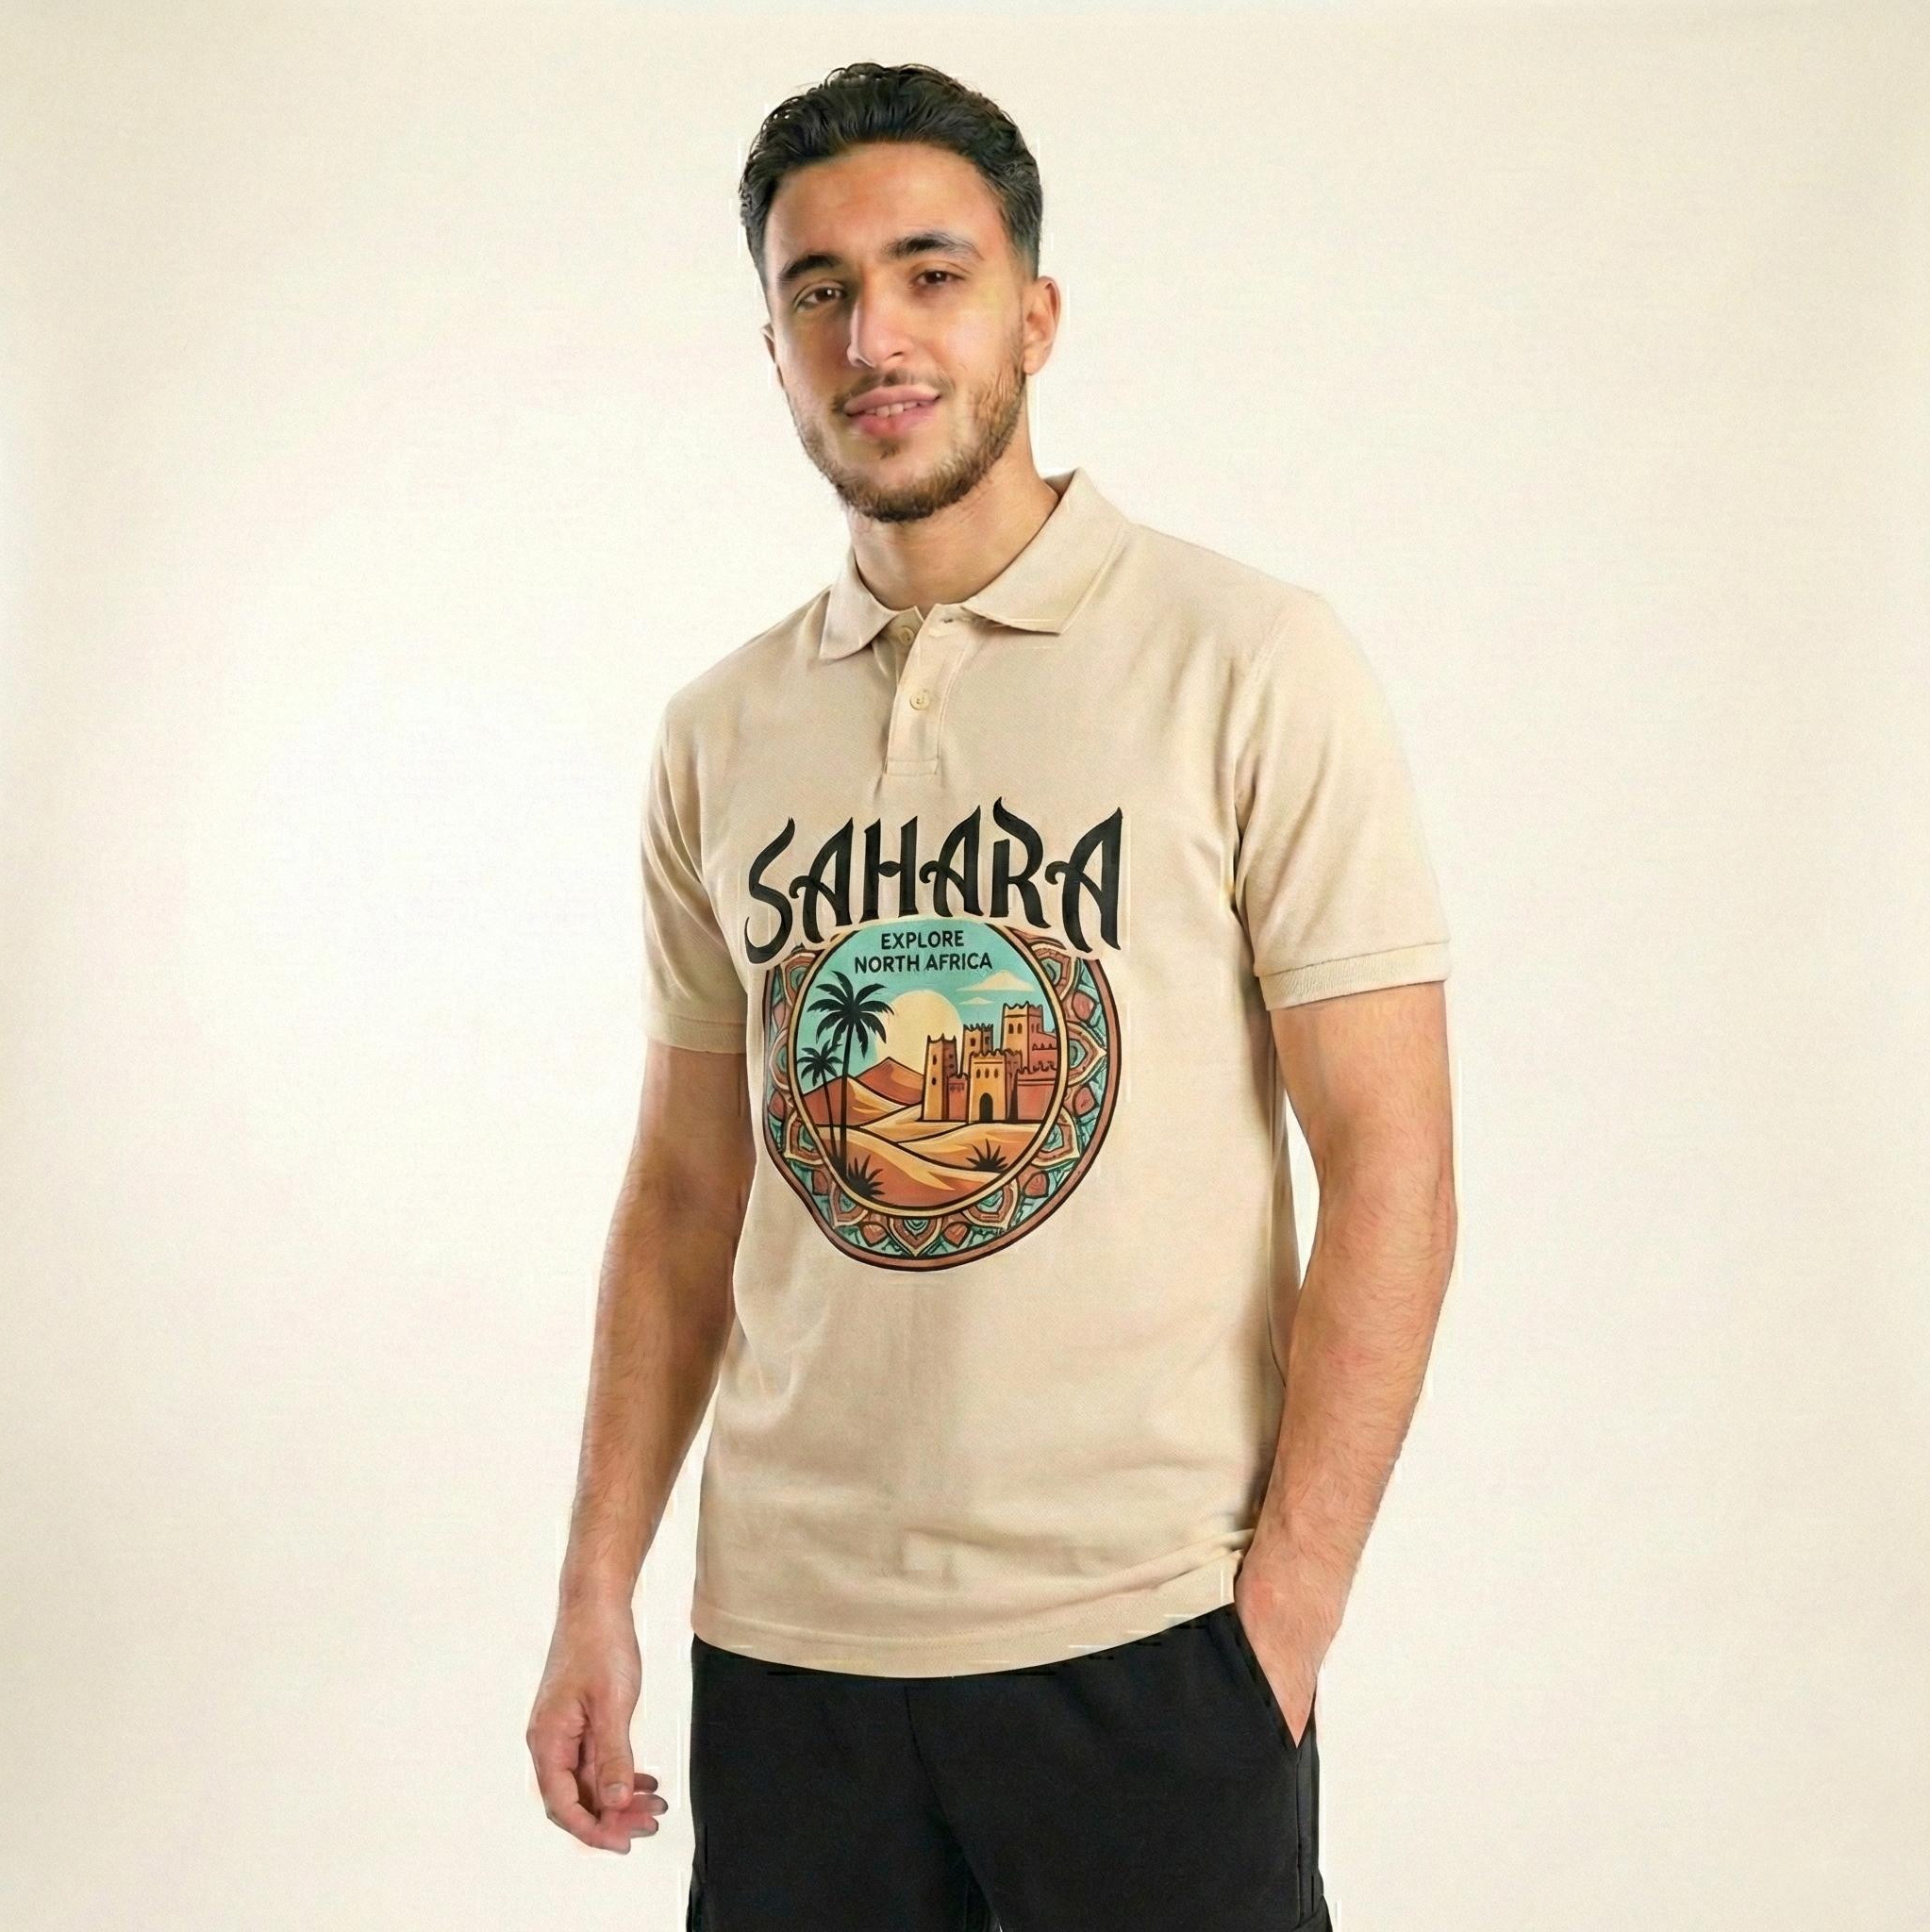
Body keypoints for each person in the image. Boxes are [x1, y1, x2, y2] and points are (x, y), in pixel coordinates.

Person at [526, 60, 1456, 1932]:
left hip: (1151, 1642)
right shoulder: (720, 732)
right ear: (774, 347)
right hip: (789, 1655)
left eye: (929, 274)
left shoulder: (1248, 660)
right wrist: (594, 1588)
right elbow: (688, 1195)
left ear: (1033, 314)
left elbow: (1392, 1165)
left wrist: (1279, 1623)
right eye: (818, 291)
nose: (872, 335)